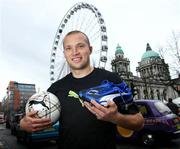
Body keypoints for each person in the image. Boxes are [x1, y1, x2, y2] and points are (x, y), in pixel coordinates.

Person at [20, 30, 144, 149]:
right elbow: (32, 119)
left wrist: (115, 118)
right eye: (69, 48)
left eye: (80, 46)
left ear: (90, 50)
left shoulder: (111, 80)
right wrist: (24, 124)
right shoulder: (55, 89)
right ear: (64, 53)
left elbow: (139, 123)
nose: (74, 52)